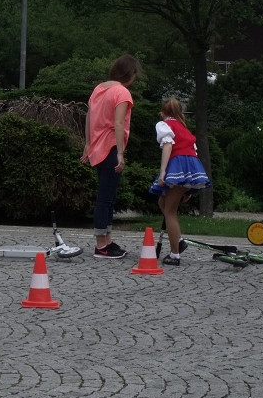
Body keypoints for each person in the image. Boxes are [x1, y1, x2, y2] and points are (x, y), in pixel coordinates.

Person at [81, 54, 141, 259]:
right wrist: (121, 153)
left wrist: (88, 144)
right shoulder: (122, 92)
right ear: (129, 74)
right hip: (111, 147)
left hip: (98, 149)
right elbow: (118, 123)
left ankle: (107, 240)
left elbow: (89, 116)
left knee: (109, 197)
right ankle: (101, 245)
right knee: (105, 199)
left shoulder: (99, 89)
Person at [148, 98, 211, 265]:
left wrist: (163, 172)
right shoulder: (184, 128)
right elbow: (193, 152)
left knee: (170, 211)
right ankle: (179, 240)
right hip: (190, 167)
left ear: (163, 113)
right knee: (163, 202)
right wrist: (188, 189)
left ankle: (175, 255)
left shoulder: (164, 125)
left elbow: (168, 146)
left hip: (177, 166)